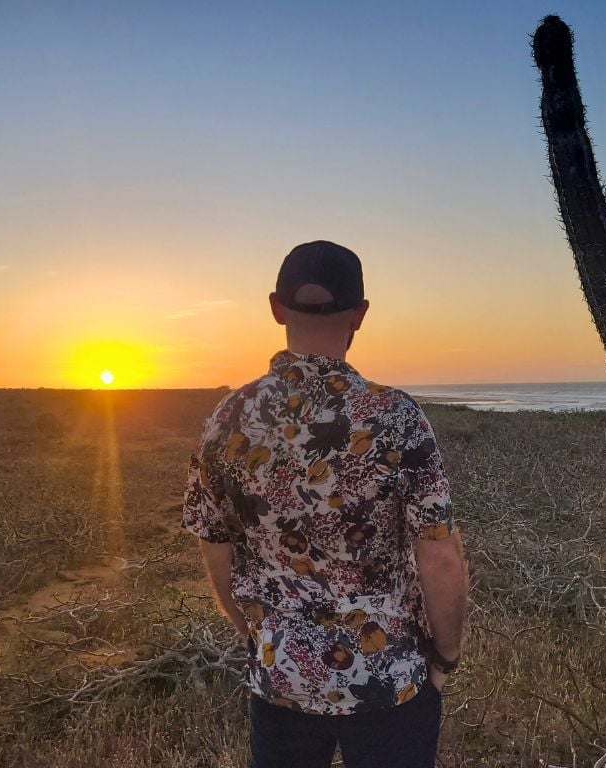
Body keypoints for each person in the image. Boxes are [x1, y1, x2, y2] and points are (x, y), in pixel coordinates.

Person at [181, 240, 468, 768]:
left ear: (276, 308)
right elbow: (441, 556)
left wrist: (255, 633)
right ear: (360, 314)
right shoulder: (396, 417)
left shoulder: (227, 419)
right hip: (389, 678)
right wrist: (446, 655)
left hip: (280, 674)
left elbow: (213, 544)